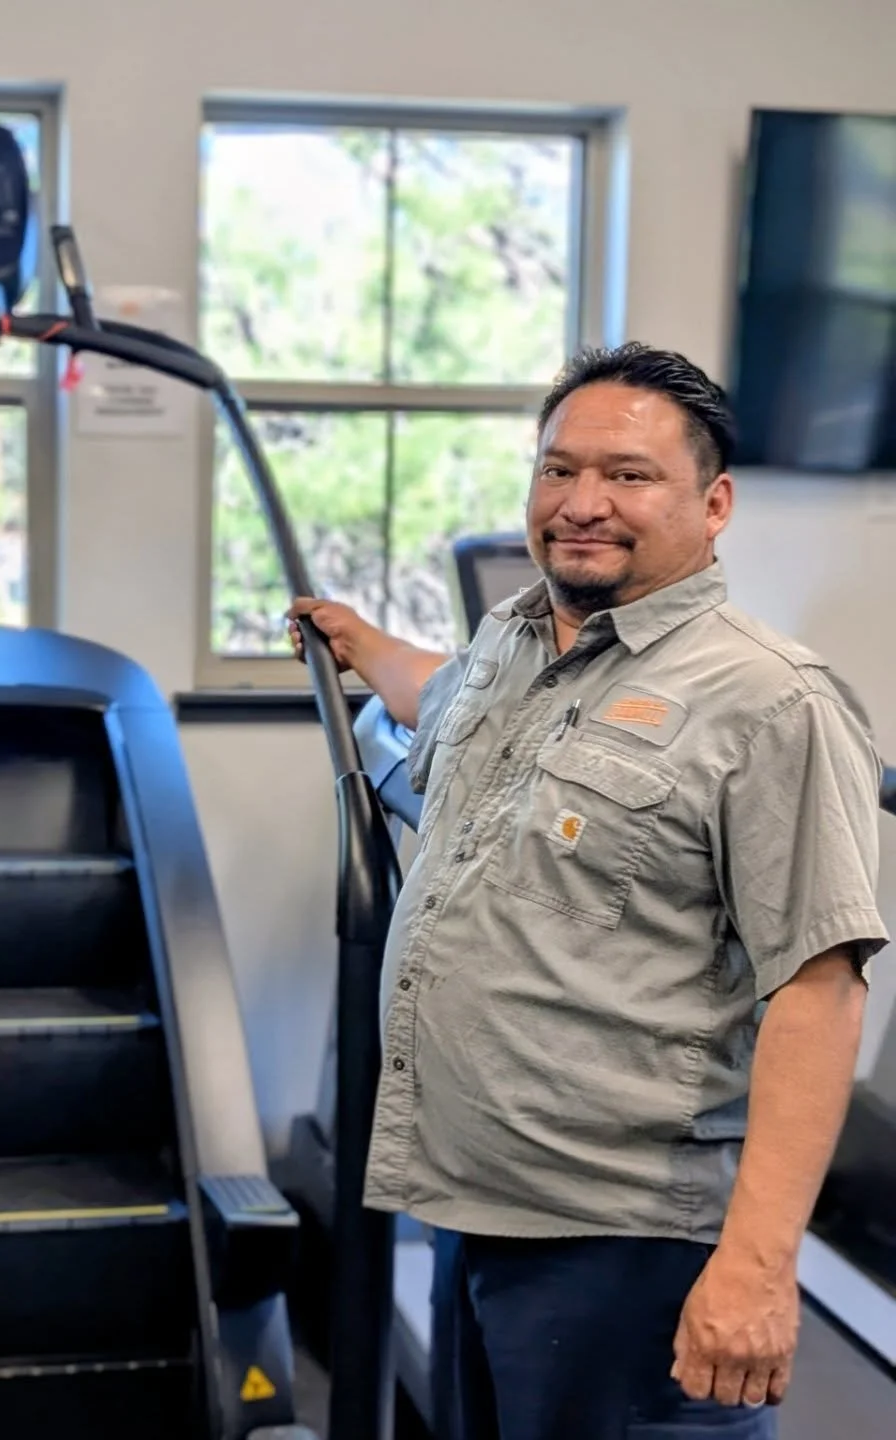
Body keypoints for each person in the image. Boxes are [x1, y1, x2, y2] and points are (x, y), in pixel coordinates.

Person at [288, 343, 887, 1440]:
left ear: (714, 504)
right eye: (558, 470)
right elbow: (438, 695)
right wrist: (362, 643)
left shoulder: (772, 703)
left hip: (625, 1241)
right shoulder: (513, 643)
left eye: (628, 475)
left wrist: (757, 1268)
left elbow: (820, 993)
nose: (582, 503)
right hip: (475, 1200)